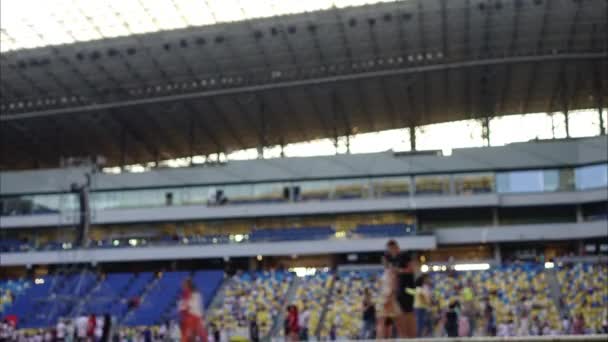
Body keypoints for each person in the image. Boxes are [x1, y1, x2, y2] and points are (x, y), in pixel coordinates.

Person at [385, 239, 416, 338]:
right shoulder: (392, 259)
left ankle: (411, 336)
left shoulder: (405, 256)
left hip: (408, 288)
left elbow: (411, 269)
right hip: (399, 289)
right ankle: (405, 336)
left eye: (391, 249)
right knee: (400, 313)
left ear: (395, 247)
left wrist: (398, 270)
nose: (390, 251)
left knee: (408, 313)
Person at [376, 257, 400, 339]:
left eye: (384, 261)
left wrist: (389, 298)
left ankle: (383, 338)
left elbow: (394, 286)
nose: (383, 262)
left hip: (388, 298)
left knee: (384, 321)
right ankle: (385, 338)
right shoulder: (386, 272)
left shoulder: (391, 272)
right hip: (385, 297)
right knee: (386, 322)